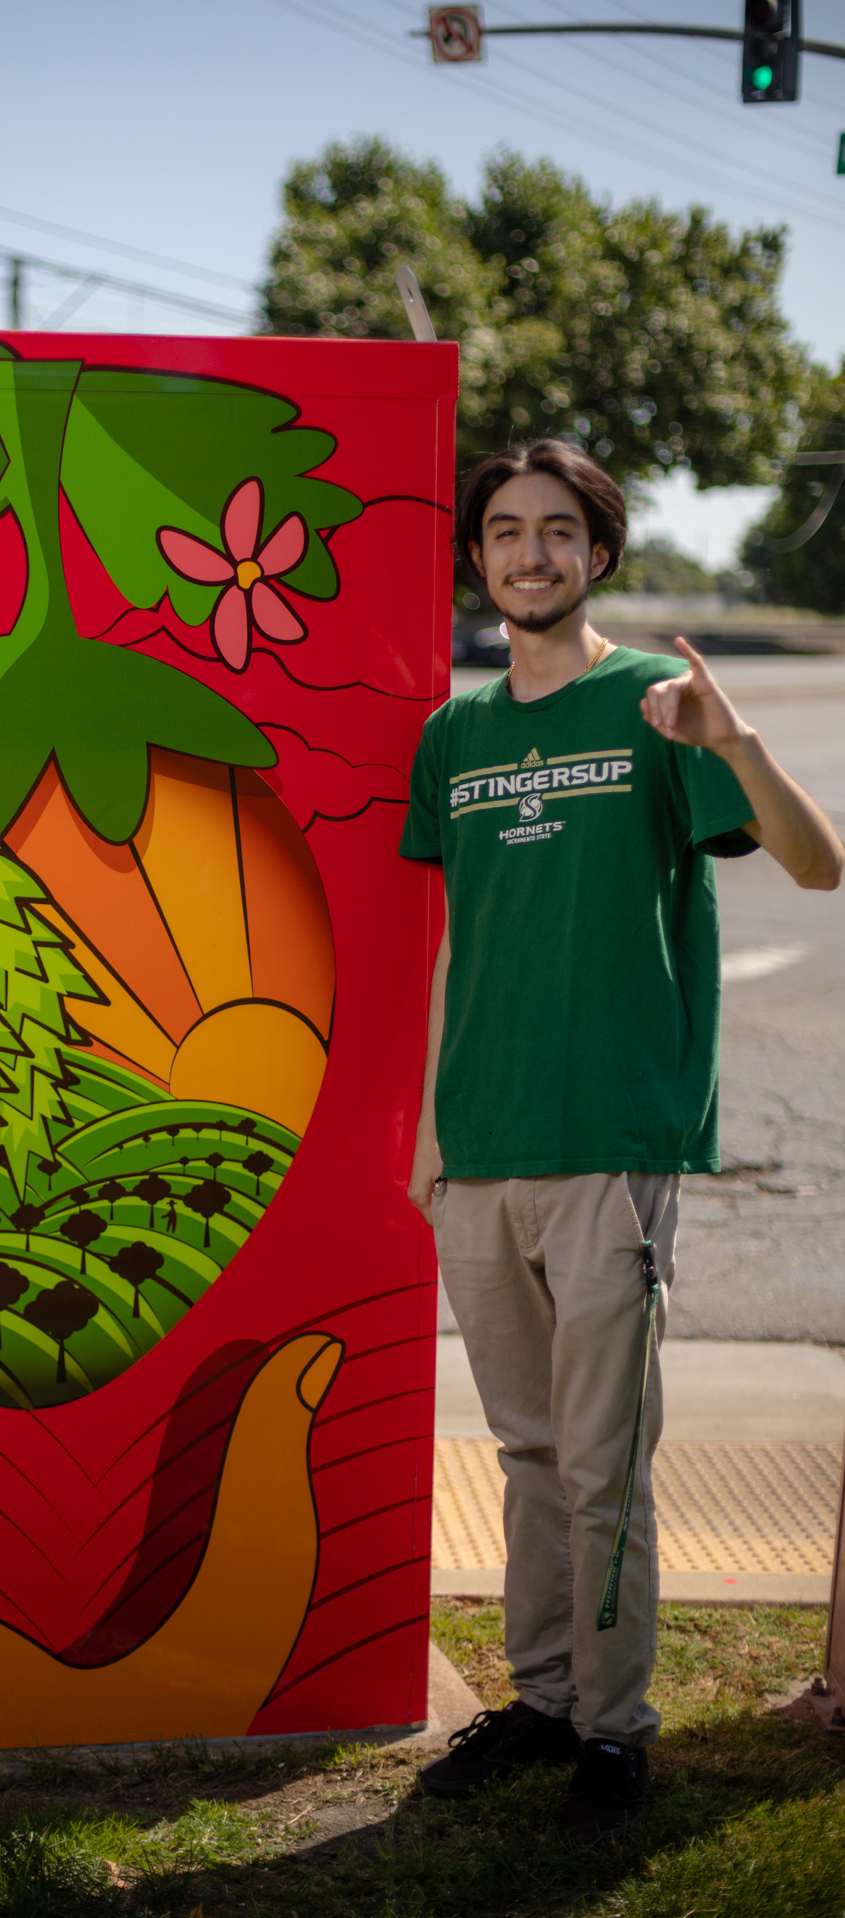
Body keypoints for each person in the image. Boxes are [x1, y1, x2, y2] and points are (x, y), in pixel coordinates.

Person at [402, 440, 843, 1842]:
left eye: (556, 532)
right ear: (477, 558)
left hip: (610, 1141)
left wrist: (737, 740)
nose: (527, 554)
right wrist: (431, 1138)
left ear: (598, 552)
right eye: (502, 532)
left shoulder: (655, 704)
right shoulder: (454, 737)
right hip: (481, 1144)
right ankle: (539, 1702)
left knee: (604, 1457)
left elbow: (819, 865)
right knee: (524, 1452)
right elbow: (457, 945)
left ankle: (614, 1730)